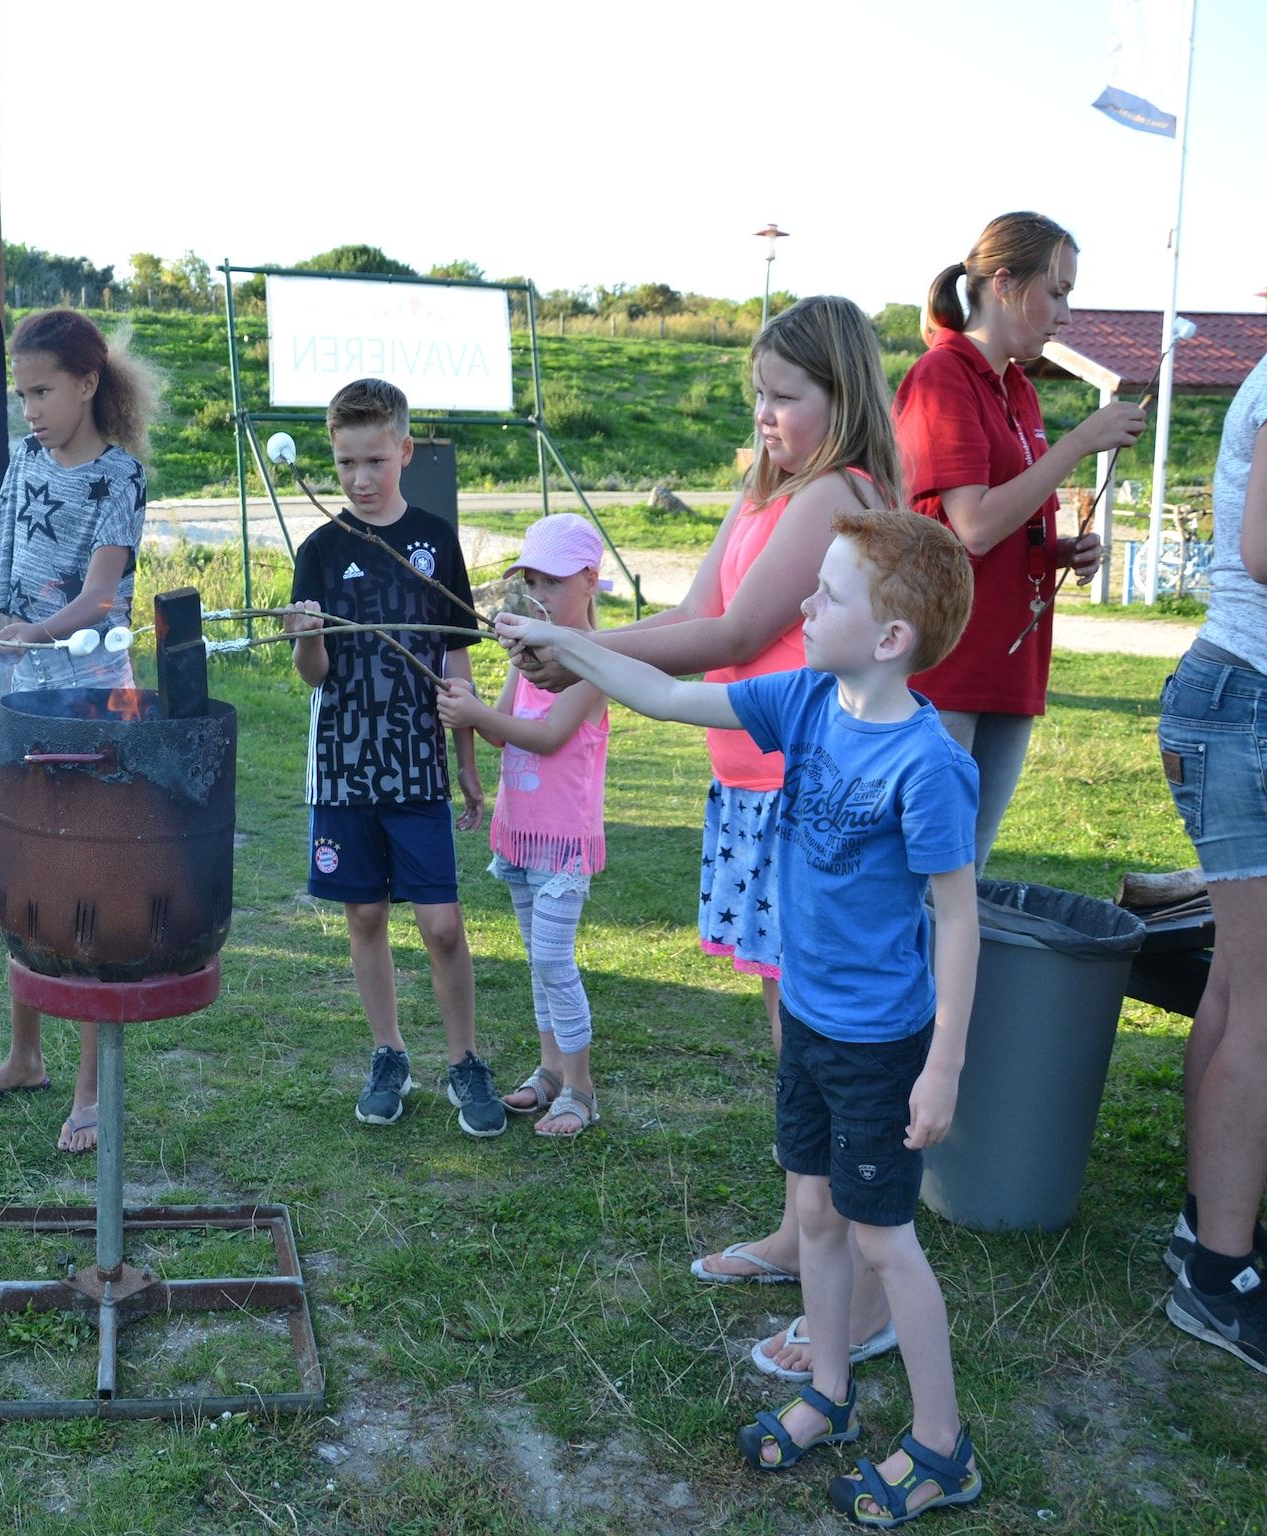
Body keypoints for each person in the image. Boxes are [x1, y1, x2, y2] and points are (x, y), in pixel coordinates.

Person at [500, 508, 984, 1525]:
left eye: (827, 595)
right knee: (809, 1212)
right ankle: (831, 1395)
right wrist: (566, 644)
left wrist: (940, 1065)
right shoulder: (807, 702)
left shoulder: (928, 766)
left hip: (878, 1044)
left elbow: (956, 920)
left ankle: (941, 1446)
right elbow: (671, 695)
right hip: (806, 1023)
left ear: (887, 638)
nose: (801, 605)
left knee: (884, 1239)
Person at [524, 297, 908, 1368]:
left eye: (786, 397)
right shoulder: (765, 495)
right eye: (757, 394)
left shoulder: (836, 494)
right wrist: (575, 644)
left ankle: (865, 1292)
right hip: (750, 791)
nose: (766, 414)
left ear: (841, 397)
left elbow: (736, 636)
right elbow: (692, 612)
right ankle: (801, 1233)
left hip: (806, 794)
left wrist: (582, 657)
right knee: (789, 1023)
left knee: (822, 1038)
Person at [0, 309, 158, 1152]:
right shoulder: (22, 460)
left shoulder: (119, 478)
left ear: (88, 383)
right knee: (26, 876)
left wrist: (34, 632)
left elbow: (100, 597)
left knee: (87, 886)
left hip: (94, 699)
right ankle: (26, 1057)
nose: (30, 409)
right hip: (27, 699)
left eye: (44, 391)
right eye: (22, 394)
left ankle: (91, 1089)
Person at [894, 211, 1146, 871]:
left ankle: (951, 982)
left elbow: (997, 520)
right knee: (922, 881)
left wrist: (1058, 550)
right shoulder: (943, 377)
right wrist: (1079, 443)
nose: (1065, 314)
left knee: (963, 876)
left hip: (1011, 664)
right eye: (1056, 292)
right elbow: (972, 526)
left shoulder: (1021, 390)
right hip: (947, 666)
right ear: (1002, 283)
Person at [282, 377, 498, 1138]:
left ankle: (466, 1061)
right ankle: (389, 1053)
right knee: (365, 912)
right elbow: (315, 676)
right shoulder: (318, 549)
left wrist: (466, 758)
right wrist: (306, 635)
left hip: (416, 769)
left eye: (375, 459)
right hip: (342, 767)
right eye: (345, 463)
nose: (361, 479)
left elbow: (456, 658)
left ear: (405, 451)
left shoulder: (436, 542)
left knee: (441, 924)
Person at [1158, 349, 1267, 1375]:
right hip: (1246, 699)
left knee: (1238, 986)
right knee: (1259, 999)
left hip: (1232, 695)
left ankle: (1208, 1230)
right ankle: (1216, 1270)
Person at [436, 515, 609, 1136]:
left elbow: (547, 735)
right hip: (520, 830)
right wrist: (466, 707)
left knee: (553, 959)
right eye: (530, 579)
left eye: (552, 582)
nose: (537, 592)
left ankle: (582, 1089)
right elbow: (499, 723)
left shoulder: (595, 660)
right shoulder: (526, 654)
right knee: (537, 959)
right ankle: (550, 1070)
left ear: (589, 581)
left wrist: (478, 712)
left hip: (562, 841)